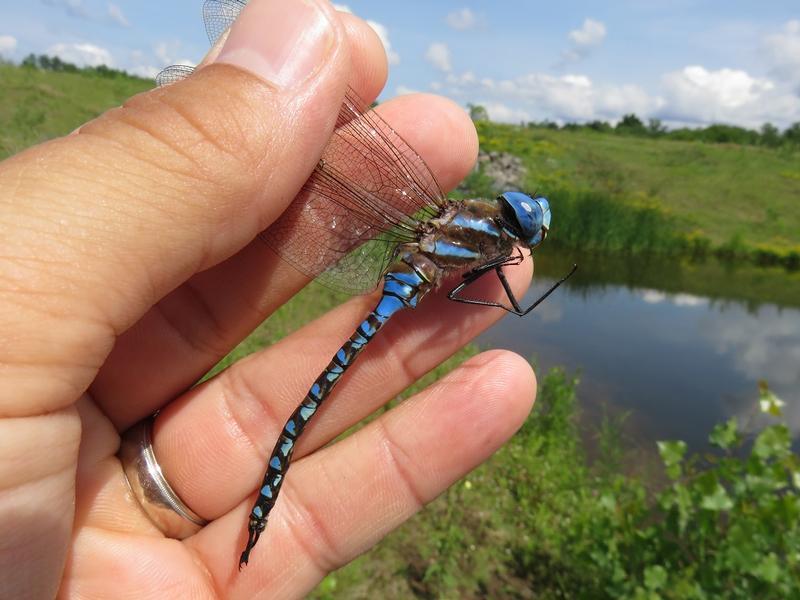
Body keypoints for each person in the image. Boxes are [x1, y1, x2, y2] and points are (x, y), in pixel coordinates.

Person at [0, 0, 536, 597]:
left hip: (408, 276)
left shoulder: (477, 231)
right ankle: (262, 508)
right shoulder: (493, 246)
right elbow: (475, 294)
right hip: (410, 283)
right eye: (519, 222)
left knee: (314, 402)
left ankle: (258, 509)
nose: (518, 228)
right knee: (313, 405)